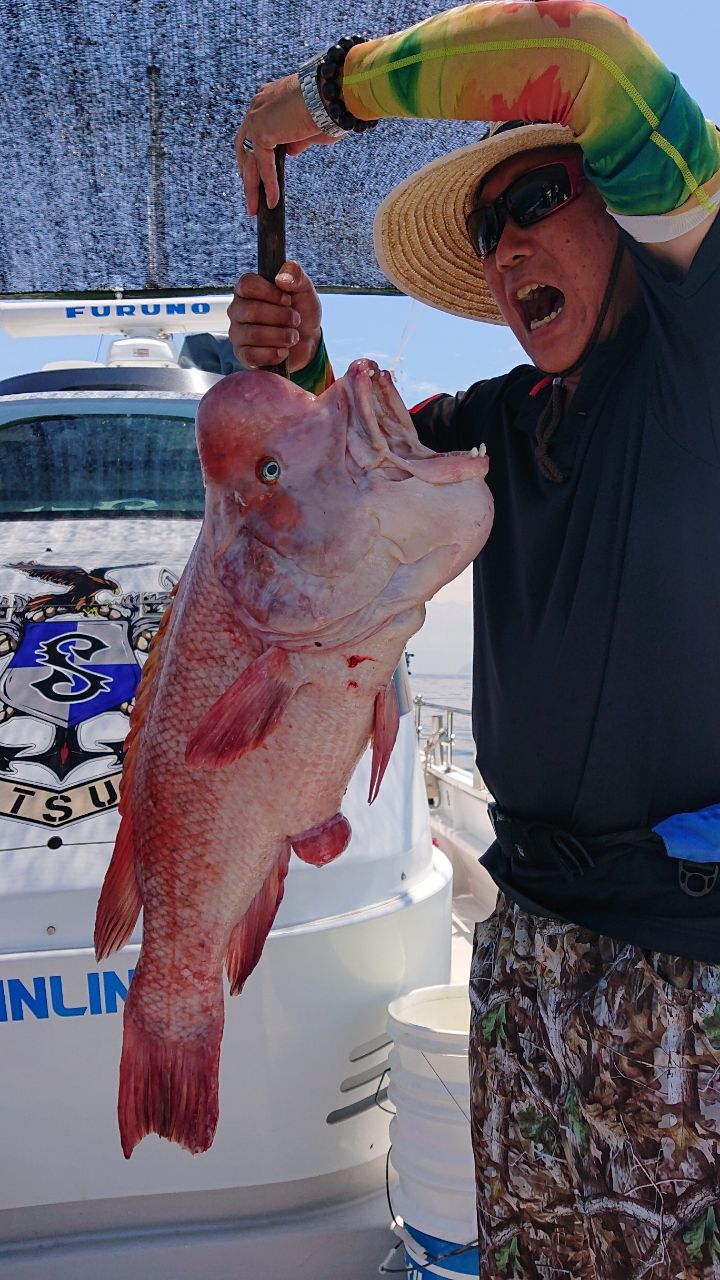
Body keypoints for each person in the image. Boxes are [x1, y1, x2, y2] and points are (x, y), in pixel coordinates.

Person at [230, 4, 720, 1275]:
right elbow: (354, 486)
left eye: (539, 197)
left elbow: (597, 56)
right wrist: (306, 356)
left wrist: (320, 98)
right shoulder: (498, 421)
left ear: (618, 203)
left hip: (690, 967)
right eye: (486, 229)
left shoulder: (697, 345)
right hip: (526, 943)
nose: (507, 249)